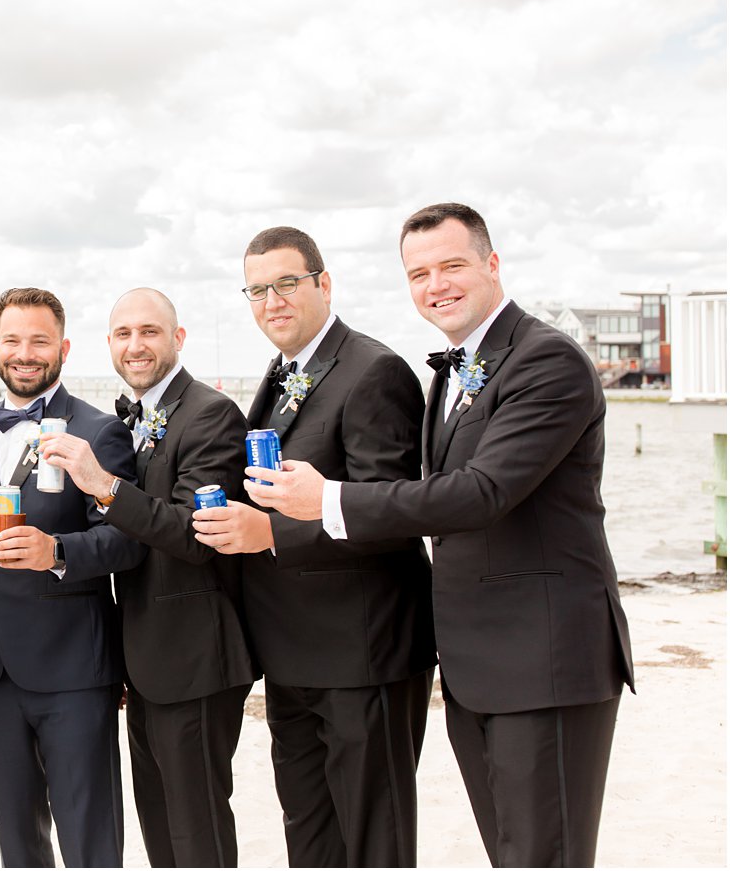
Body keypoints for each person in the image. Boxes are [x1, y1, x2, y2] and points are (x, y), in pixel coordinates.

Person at [246, 204, 635, 868]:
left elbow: (483, 492)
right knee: (511, 851)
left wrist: (328, 499)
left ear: (491, 264)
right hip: (475, 662)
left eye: (451, 265)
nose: (436, 285)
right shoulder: (453, 370)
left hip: (546, 656)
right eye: (418, 273)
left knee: (546, 855)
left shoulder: (548, 361)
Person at [193, 227, 434, 867]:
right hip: (292, 653)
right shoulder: (281, 372)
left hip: (364, 652)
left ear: (324, 285)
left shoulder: (375, 370)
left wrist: (268, 532)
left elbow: (392, 514)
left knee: (373, 838)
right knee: (309, 833)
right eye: (257, 290)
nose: (272, 301)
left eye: (287, 284)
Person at [37, 288, 256, 867]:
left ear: (177, 339)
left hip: (195, 656)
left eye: (150, 332)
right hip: (144, 660)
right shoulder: (131, 420)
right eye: (123, 334)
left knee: (196, 829)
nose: (136, 345)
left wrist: (102, 485)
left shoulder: (210, 413)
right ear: (109, 344)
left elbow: (195, 534)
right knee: (159, 827)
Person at [0, 287, 146, 868]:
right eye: (13, 340)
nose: (25, 353)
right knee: (16, 838)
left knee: (90, 836)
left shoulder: (101, 431)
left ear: (63, 348)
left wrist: (55, 551)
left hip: (73, 671)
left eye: (39, 341)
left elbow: (128, 541)